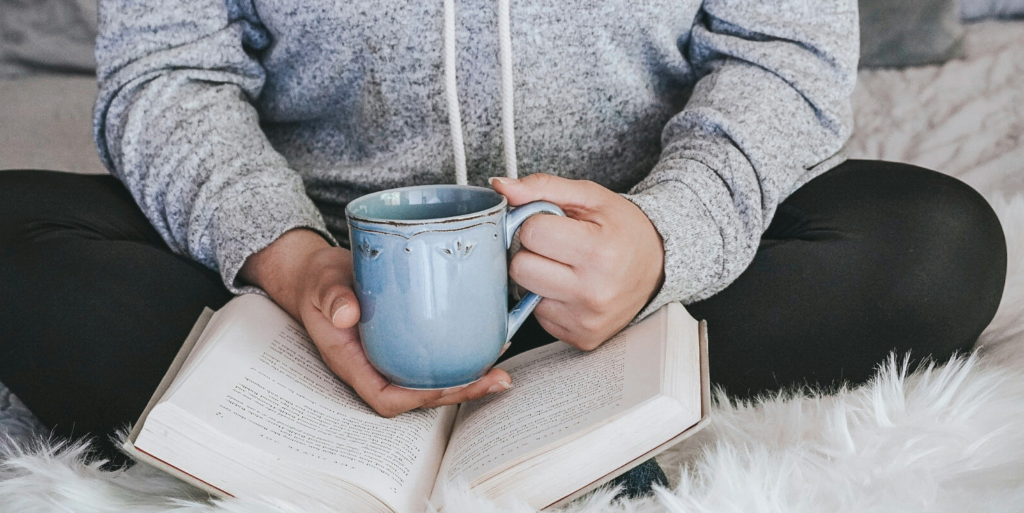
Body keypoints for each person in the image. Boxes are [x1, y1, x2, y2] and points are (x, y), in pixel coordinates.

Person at [0, 0, 1007, 496]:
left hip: (632, 241)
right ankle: (346, 359)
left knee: (935, 243)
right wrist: (289, 258)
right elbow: (167, 68)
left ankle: (549, 362)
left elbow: (782, 53)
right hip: (318, 248)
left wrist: (664, 239)